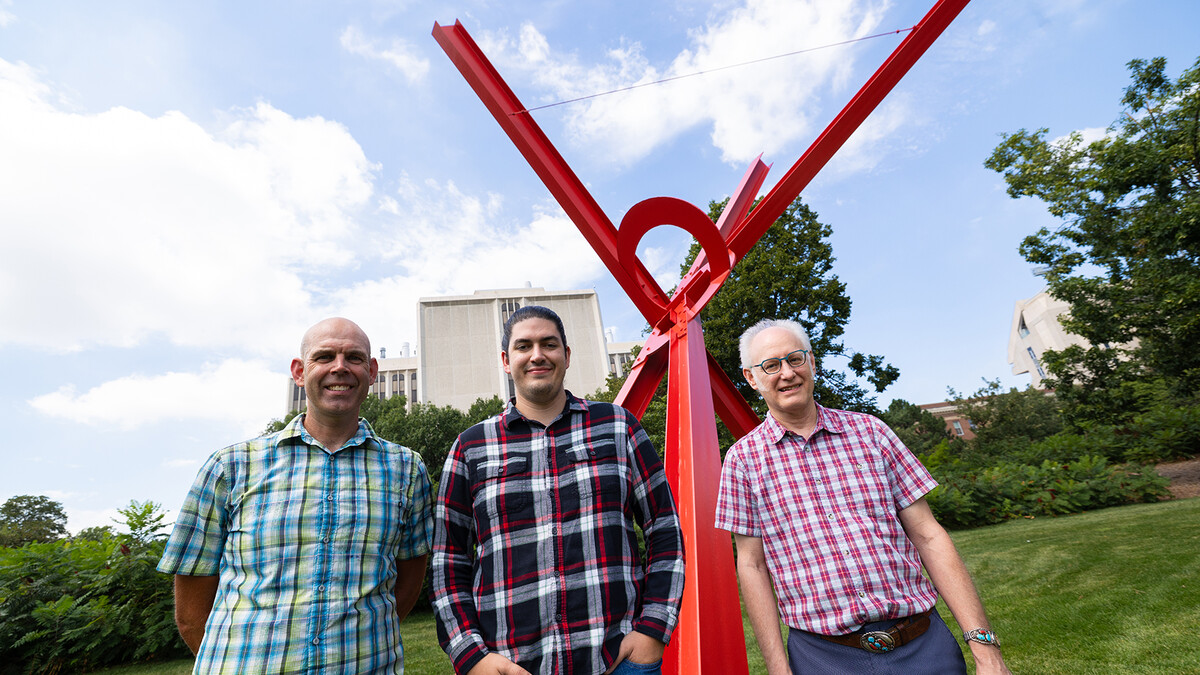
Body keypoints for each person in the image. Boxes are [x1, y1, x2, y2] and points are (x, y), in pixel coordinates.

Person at [715, 319, 1011, 675]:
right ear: (751, 378)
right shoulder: (742, 460)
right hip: (822, 658)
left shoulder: (871, 432)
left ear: (812, 362)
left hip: (922, 645)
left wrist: (985, 650)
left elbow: (929, 535)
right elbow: (752, 565)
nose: (787, 374)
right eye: (771, 365)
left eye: (795, 359)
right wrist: (779, 669)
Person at [158, 317, 433, 674]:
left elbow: (410, 576)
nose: (340, 367)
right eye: (325, 356)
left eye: (353, 357)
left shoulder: (407, 469)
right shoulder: (231, 465)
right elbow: (193, 594)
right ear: (300, 372)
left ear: (372, 371)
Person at [432, 305, 685, 675]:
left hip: (620, 660)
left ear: (566, 356)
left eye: (549, 344)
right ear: (506, 360)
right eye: (524, 346)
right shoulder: (471, 446)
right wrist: (471, 657)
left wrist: (652, 630)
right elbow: (448, 561)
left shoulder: (617, 426)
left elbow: (665, 530)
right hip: (510, 665)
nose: (537, 355)